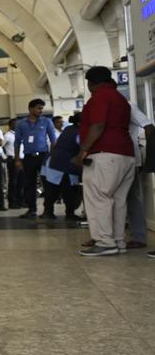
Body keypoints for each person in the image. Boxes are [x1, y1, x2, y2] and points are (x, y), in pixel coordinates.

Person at [76, 66, 135, 256]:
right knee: (118, 201)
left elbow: (98, 124)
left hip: (104, 155)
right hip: (126, 155)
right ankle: (118, 241)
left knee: (98, 198)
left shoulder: (100, 97)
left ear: (92, 83)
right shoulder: (121, 99)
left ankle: (104, 242)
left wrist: (83, 151)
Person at [13, 99, 58, 217]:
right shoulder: (21, 124)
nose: (41, 111)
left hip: (43, 157)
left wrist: (52, 157)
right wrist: (17, 159)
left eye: (42, 108)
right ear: (30, 109)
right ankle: (32, 210)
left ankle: (49, 210)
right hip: (28, 158)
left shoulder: (47, 122)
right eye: (38, 108)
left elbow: (53, 141)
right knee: (29, 185)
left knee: (47, 185)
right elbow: (17, 143)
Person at [41, 113, 82, 220]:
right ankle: (68, 214)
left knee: (53, 189)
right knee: (68, 190)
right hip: (62, 164)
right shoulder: (78, 132)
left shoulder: (69, 128)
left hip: (55, 162)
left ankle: (49, 212)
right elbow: (84, 146)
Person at [124, 106, 153, 249]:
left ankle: (138, 236)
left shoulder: (129, 107)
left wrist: (150, 154)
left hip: (131, 158)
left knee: (133, 197)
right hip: (112, 158)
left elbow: (148, 126)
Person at [4, 120, 22, 208]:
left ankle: (20, 201)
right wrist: (5, 157)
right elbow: (0, 146)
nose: (16, 125)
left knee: (21, 182)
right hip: (12, 159)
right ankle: (12, 203)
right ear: (10, 125)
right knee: (13, 182)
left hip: (22, 159)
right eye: (14, 124)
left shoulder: (20, 134)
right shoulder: (7, 136)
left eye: (17, 124)